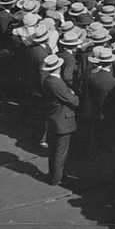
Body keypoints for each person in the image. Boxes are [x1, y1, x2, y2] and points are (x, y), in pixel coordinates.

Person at [40, 54, 79, 186]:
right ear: (59, 67)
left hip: (54, 118)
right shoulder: (56, 83)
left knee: (55, 151)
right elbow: (72, 100)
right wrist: (74, 96)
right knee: (60, 152)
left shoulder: (48, 80)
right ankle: (56, 178)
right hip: (62, 120)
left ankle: (55, 175)